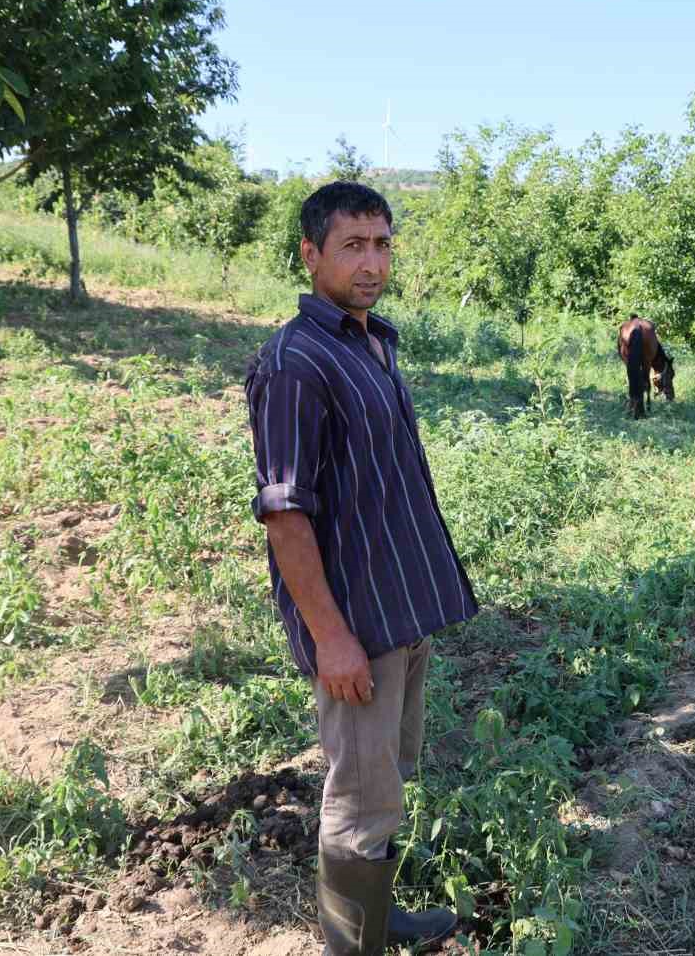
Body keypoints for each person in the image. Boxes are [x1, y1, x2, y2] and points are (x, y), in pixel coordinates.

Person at [244, 180, 478, 956]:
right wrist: (332, 638)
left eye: (381, 243)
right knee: (358, 795)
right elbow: (285, 513)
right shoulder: (295, 362)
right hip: (358, 622)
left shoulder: (370, 340)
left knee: (387, 776)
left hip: (403, 605)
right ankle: (352, 946)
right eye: (352, 245)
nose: (370, 260)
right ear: (311, 255)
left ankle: (376, 919)